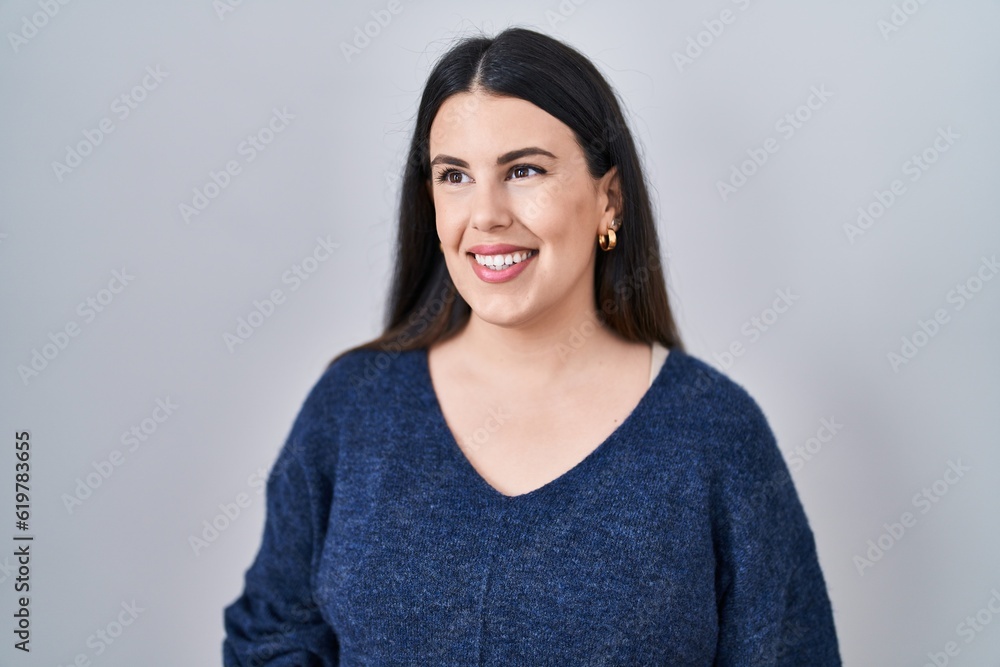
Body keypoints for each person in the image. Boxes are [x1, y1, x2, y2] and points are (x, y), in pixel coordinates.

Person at [222, 26, 841, 665]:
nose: (486, 213)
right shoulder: (351, 410)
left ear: (610, 199)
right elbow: (271, 636)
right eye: (455, 176)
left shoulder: (715, 434)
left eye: (523, 170)